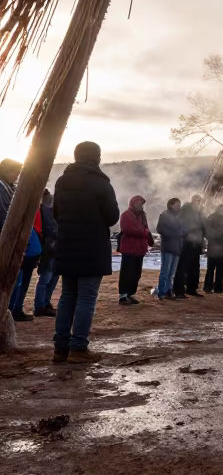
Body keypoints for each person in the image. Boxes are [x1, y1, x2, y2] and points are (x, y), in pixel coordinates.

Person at [52, 141, 119, 364]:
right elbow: (112, 217)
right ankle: (78, 348)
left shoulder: (62, 181)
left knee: (67, 296)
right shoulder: (100, 183)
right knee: (86, 298)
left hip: (67, 245)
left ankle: (60, 348)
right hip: (92, 248)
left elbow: (56, 212)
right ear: (96, 157)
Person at [118, 195, 153, 305]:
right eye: (138, 203)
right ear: (133, 203)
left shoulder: (142, 216)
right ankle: (123, 295)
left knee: (136, 273)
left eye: (142, 204)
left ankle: (130, 293)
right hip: (129, 248)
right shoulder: (126, 215)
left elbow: (146, 228)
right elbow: (128, 230)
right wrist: (144, 233)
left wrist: (150, 239)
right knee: (127, 272)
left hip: (140, 249)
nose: (141, 206)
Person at [10, 209, 43, 322]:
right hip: (27, 252)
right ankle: (14, 309)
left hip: (28, 252)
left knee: (20, 283)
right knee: (19, 284)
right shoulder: (26, 215)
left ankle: (14, 309)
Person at [34, 189, 60, 317]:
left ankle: (45, 303)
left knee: (53, 277)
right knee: (46, 278)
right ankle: (40, 306)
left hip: (55, 248)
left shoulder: (53, 210)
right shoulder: (43, 210)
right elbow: (47, 229)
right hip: (49, 248)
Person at [174, 195, 205, 298]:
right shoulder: (186, 209)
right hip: (187, 243)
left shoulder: (200, 212)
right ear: (192, 201)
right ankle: (179, 290)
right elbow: (181, 223)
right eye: (197, 201)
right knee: (183, 267)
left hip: (197, 243)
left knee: (195, 268)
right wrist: (188, 233)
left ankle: (192, 289)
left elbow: (203, 226)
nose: (198, 203)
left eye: (200, 201)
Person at [155, 198, 184, 299]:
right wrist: (173, 234)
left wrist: (181, 234)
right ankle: (161, 291)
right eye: (177, 204)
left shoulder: (179, 217)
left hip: (176, 247)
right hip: (167, 246)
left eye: (179, 205)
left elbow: (182, 229)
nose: (179, 206)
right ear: (171, 205)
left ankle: (168, 290)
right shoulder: (164, 215)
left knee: (172, 272)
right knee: (165, 271)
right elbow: (160, 229)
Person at [203, 203, 223, 293]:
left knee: (220, 268)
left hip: (222, 246)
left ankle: (218, 287)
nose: (222, 211)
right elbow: (207, 231)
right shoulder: (211, 218)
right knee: (211, 268)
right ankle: (208, 286)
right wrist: (216, 238)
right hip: (213, 245)